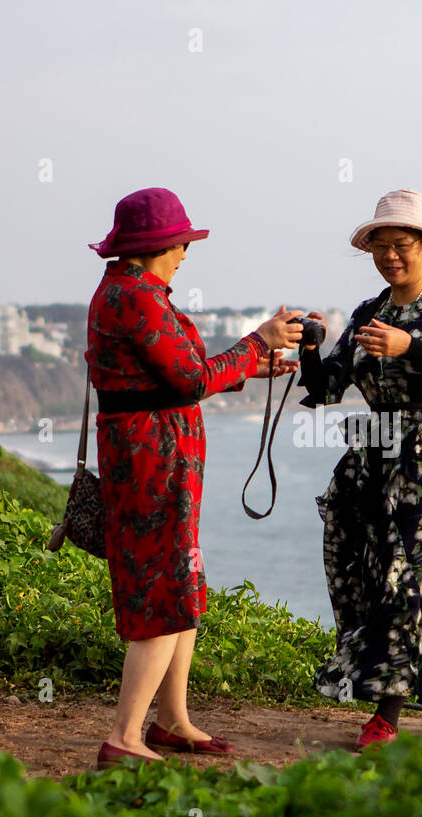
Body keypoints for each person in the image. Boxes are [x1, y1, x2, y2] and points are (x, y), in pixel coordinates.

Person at [86, 187, 304, 769]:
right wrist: (258, 341)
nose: (186, 251)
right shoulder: (136, 297)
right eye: (182, 242)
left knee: (180, 583)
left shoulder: (133, 291)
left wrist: (257, 367)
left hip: (156, 457)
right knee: (164, 591)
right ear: (160, 243)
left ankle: (171, 720)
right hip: (151, 461)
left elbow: (175, 375)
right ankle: (124, 736)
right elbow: (185, 380)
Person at [298, 189, 422, 750]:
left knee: (408, 577)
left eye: (401, 244)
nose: (390, 255)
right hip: (373, 455)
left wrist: (413, 346)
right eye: (379, 246)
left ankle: (387, 715)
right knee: (354, 568)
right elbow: (328, 387)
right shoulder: (368, 313)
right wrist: (312, 347)